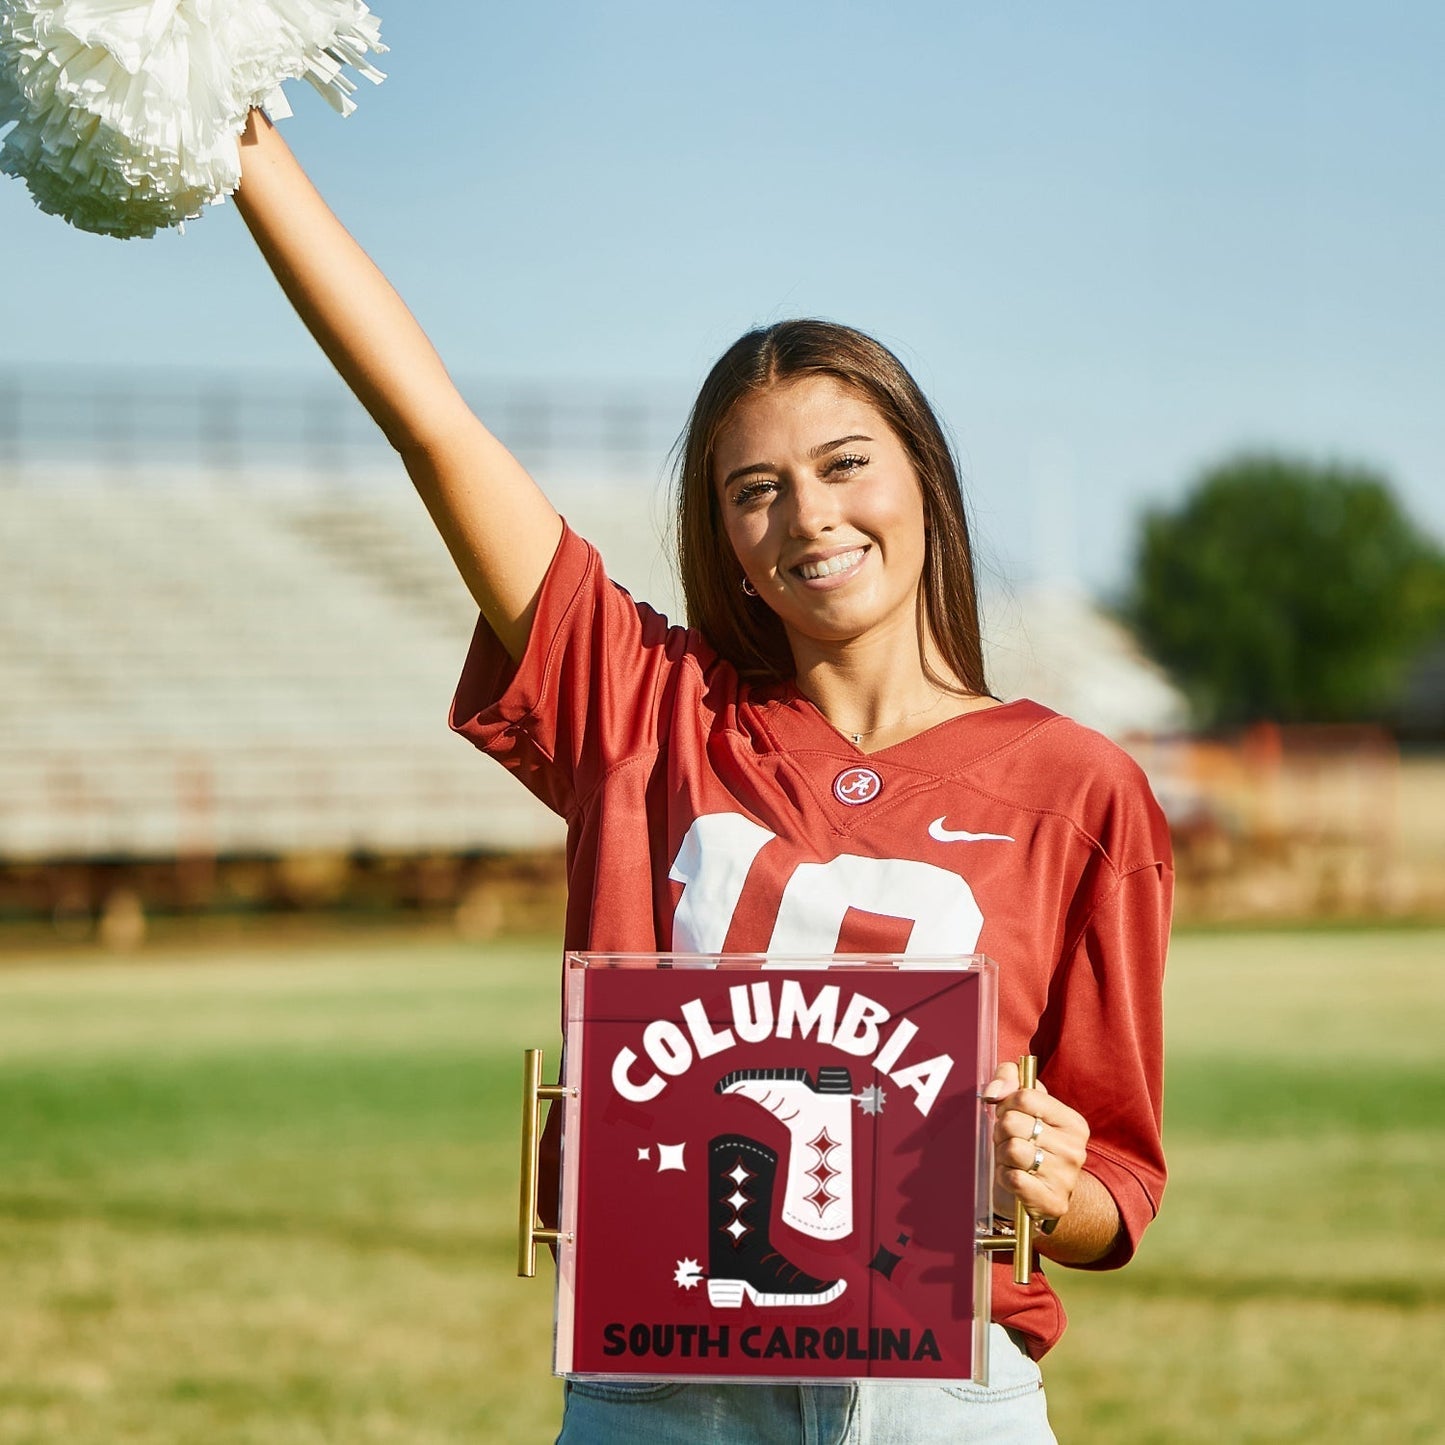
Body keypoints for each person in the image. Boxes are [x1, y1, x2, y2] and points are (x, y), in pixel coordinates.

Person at [234, 108, 1169, 1444]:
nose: (809, 515)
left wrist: (1051, 1181)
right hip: (665, 1383)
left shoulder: (1082, 785)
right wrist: (238, 137)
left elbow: (1113, 1183)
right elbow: (430, 427)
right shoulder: (642, 702)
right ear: (723, 536)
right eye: (755, 490)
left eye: (845, 464)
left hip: (941, 1382)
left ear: (922, 476)